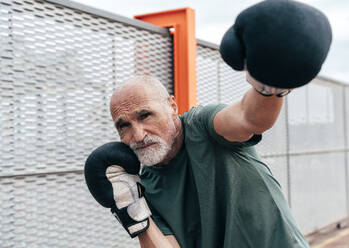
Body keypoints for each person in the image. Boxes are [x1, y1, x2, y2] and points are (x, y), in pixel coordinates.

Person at [108, 74, 310, 248]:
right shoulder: (144, 187)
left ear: (172, 106)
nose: (138, 135)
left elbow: (248, 118)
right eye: (124, 126)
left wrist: (269, 84)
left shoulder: (203, 126)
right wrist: (130, 208)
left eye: (145, 115)